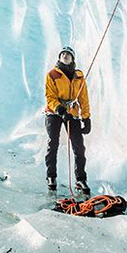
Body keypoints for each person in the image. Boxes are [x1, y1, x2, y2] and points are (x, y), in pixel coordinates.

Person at [44, 45, 92, 195]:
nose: (65, 55)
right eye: (62, 54)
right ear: (59, 57)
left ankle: (80, 179)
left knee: (78, 146)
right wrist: (60, 109)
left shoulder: (79, 76)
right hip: (54, 112)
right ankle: (51, 176)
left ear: (72, 58)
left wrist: (86, 117)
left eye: (68, 54)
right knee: (53, 143)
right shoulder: (52, 74)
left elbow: (83, 97)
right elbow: (50, 96)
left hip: (71, 113)